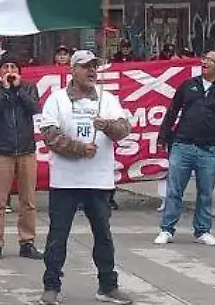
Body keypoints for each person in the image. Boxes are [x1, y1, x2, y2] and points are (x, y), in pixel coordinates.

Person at [38, 50, 133, 305]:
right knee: (58, 236)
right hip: (65, 181)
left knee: (103, 234)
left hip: (99, 181)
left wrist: (109, 127)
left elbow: (125, 129)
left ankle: (108, 286)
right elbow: (49, 135)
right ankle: (51, 287)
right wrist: (79, 149)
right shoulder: (57, 100)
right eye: (85, 67)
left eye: (95, 66)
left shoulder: (107, 99)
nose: (92, 71)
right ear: (73, 70)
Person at [154, 49, 215, 247]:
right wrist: (163, 135)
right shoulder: (188, 85)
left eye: (211, 60)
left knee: (206, 192)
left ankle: (202, 230)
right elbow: (172, 111)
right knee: (174, 190)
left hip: (209, 149)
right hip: (182, 145)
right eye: (205, 58)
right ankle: (167, 229)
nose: (205, 62)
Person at [0, 56, 43, 261]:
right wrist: (7, 92)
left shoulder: (29, 88)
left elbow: (34, 108)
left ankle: (27, 242)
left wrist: (17, 90)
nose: (9, 70)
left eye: (13, 67)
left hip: (26, 150)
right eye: (5, 67)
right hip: (2, 151)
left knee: (28, 200)